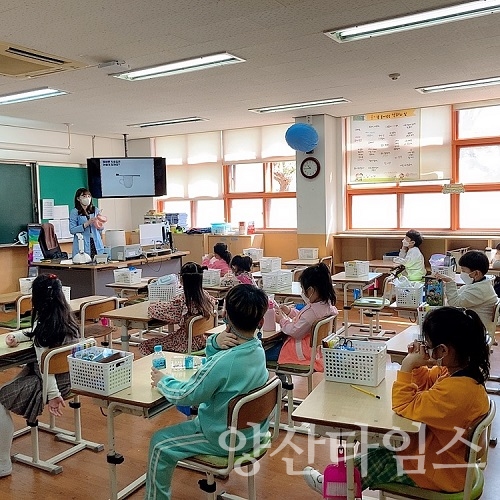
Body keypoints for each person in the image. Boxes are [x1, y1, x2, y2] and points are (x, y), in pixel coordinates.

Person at [304, 306, 490, 495]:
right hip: (444, 458)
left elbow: (404, 405)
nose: (426, 349)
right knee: (377, 449)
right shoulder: (460, 372)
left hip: (438, 472)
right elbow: (426, 381)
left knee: (377, 460)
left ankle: (337, 486)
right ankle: (339, 481)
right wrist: (417, 365)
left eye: (429, 345)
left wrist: (407, 365)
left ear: (443, 350)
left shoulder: (457, 391)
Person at [146, 284, 270, 500]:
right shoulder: (257, 349)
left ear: (225, 317)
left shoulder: (224, 362)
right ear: (261, 321)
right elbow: (217, 363)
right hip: (254, 433)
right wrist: (215, 341)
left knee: (159, 443)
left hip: (221, 437)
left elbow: (189, 395)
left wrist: (163, 381)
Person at [0, 274, 80, 477]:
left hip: (52, 385)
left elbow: (47, 368)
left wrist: (52, 395)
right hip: (72, 379)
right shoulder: (68, 320)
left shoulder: (44, 331)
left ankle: (2, 464)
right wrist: (17, 336)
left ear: (35, 300)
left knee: (0, 401)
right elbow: (34, 331)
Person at [264, 262, 338, 371]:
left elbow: (295, 331)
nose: (303, 292)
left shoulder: (312, 312)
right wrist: (289, 311)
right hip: (314, 350)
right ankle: (283, 381)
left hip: (300, 351)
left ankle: (279, 381)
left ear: (311, 290)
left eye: (304, 290)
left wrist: (281, 320)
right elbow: (304, 320)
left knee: (263, 353)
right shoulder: (325, 305)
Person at [139, 262, 217, 356]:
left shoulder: (182, 301)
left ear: (182, 279)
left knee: (144, 345)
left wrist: (156, 303)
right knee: (169, 337)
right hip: (204, 340)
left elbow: (155, 311)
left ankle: (157, 368)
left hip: (185, 343)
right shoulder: (207, 297)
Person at [435, 250, 497, 332]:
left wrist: (450, 282)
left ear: (476, 273)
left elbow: (455, 302)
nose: (462, 273)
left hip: (476, 330)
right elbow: (459, 294)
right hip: (474, 324)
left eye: (464, 271)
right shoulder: (480, 284)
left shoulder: (479, 290)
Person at [69, 188, 105, 259]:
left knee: (98, 262)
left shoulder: (95, 210)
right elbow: (72, 230)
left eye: (89, 196)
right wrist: (86, 224)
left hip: (96, 243)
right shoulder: (75, 212)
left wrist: (99, 223)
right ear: (78, 198)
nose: (87, 198)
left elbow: (101, 228)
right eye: (84, 196)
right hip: (82, 244)